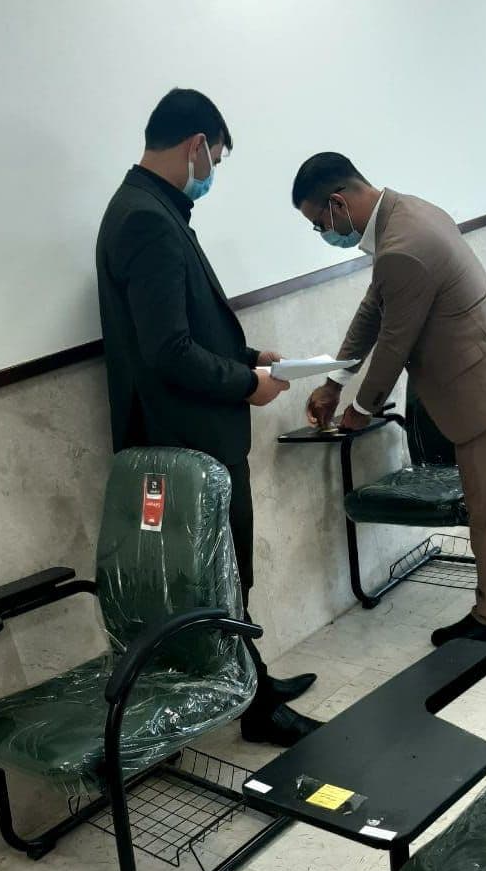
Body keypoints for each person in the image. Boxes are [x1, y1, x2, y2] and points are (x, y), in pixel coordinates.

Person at [96, 88, 319, 745]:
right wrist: (246, 384)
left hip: (188, 434)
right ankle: (254, 707)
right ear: (197, 145)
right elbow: (168, 353)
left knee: (226, 573)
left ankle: (254, 685)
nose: (212, 172)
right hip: (188, 440)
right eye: (215, 158)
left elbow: (179, 328)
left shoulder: (148, 209)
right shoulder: (146, 220)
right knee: (216, 577)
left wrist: (249, 357)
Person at [292, 153, 486, 647]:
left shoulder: (402, 247)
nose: (324, 233)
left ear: (337, 203)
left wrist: (360, 410)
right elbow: (374, 308)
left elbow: (395, 342)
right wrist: (334, 381)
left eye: (319, 223)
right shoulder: (409, 212)